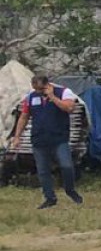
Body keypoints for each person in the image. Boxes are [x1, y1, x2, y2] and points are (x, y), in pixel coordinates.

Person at [10, 73, 82, 208]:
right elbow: (24, 117)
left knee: (66, 166)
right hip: (39, 138)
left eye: (41, 89)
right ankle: (50, 198)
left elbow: (69, 108)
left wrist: (52, 97)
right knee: (43, 170)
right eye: (35, 89)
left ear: (48, 85)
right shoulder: (31, 97)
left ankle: (70, 189)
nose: (38, 92)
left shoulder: (64, 92)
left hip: (59, 138)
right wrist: (17, 136)